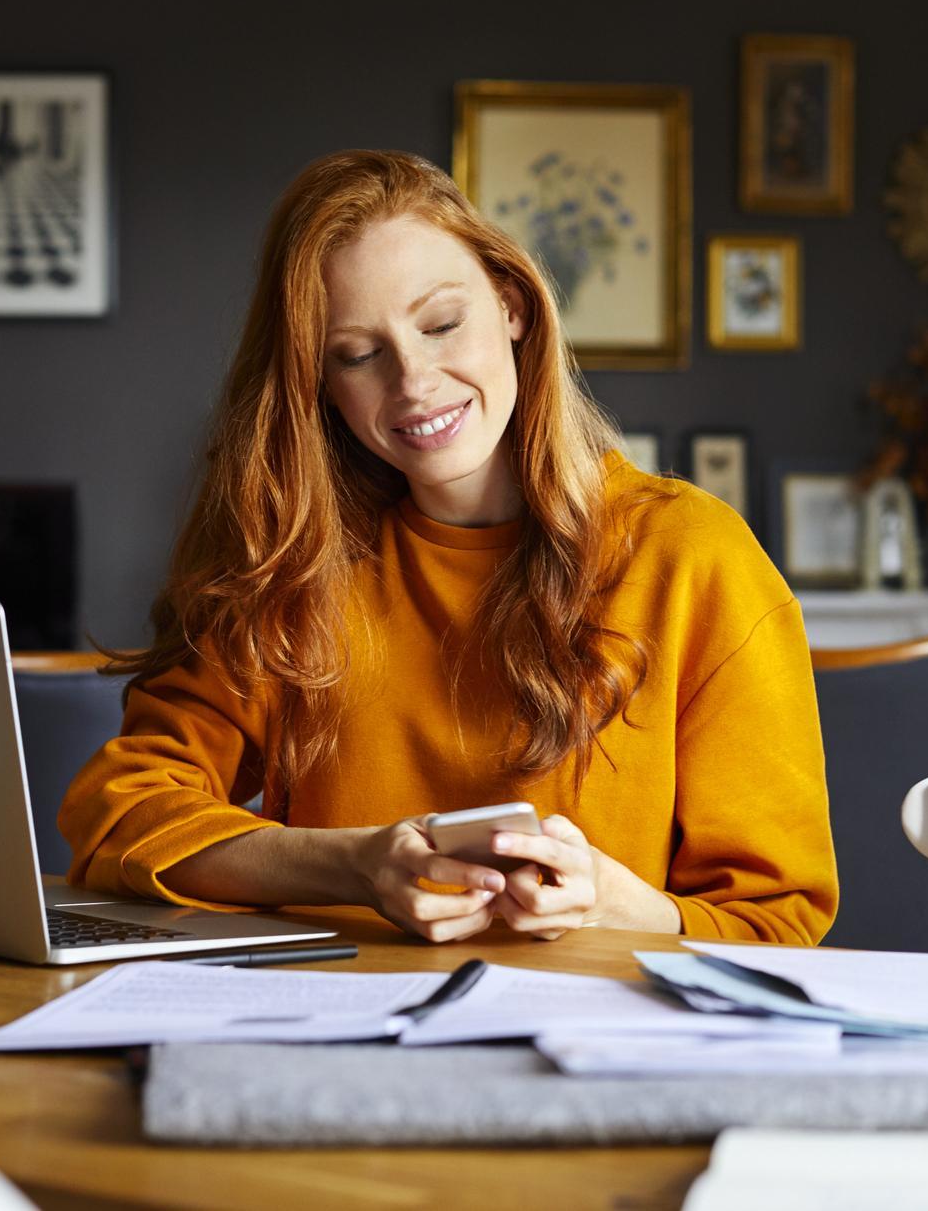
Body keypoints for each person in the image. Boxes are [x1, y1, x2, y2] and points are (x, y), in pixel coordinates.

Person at [59, 150, 836, 943]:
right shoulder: (301, 564)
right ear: (318, 384)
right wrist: (355, 865)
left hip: (600, 1041)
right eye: (358, 355)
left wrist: (609, 901)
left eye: (440, 324)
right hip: (337, 1031)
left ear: (512, 306)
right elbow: (121, 812)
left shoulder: (690, 556)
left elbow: (777, 920)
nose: (413, 381)